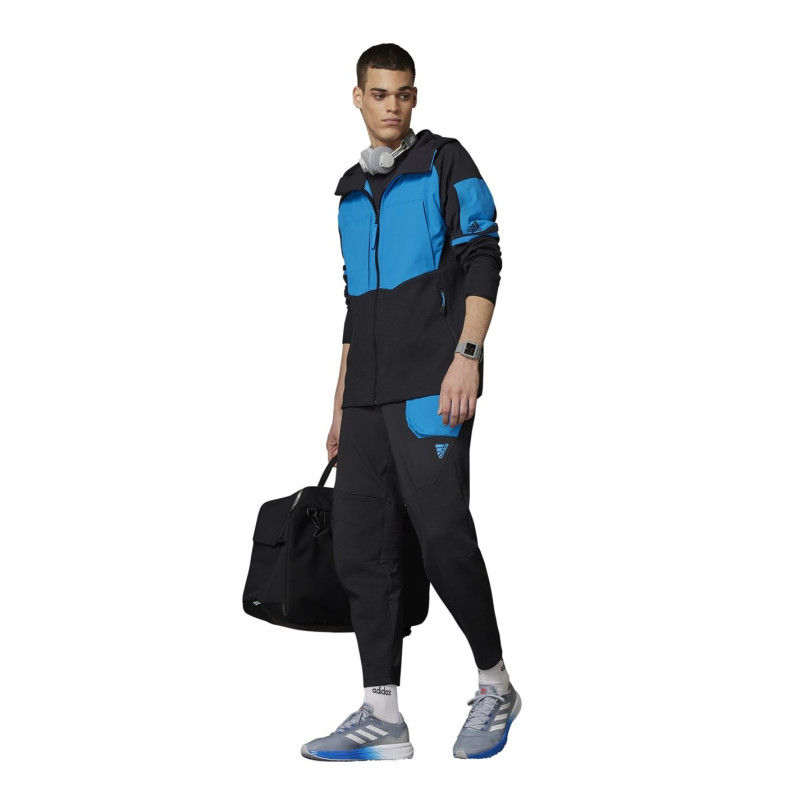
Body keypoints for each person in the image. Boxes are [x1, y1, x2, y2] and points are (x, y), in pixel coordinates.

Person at [300, 43, 520, 762]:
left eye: (402, 93)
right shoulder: (348, 192)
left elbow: (484, 254)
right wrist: (339, 404)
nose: (391, 105)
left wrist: (467, 356)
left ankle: (495, 685)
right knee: (363, 550)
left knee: (442, 535)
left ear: (414, 97)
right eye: (379, 93)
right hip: (366, 398)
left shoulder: (445, 161)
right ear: (358, 98)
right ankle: (381, 713)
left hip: (432, 383)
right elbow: (354, 303)